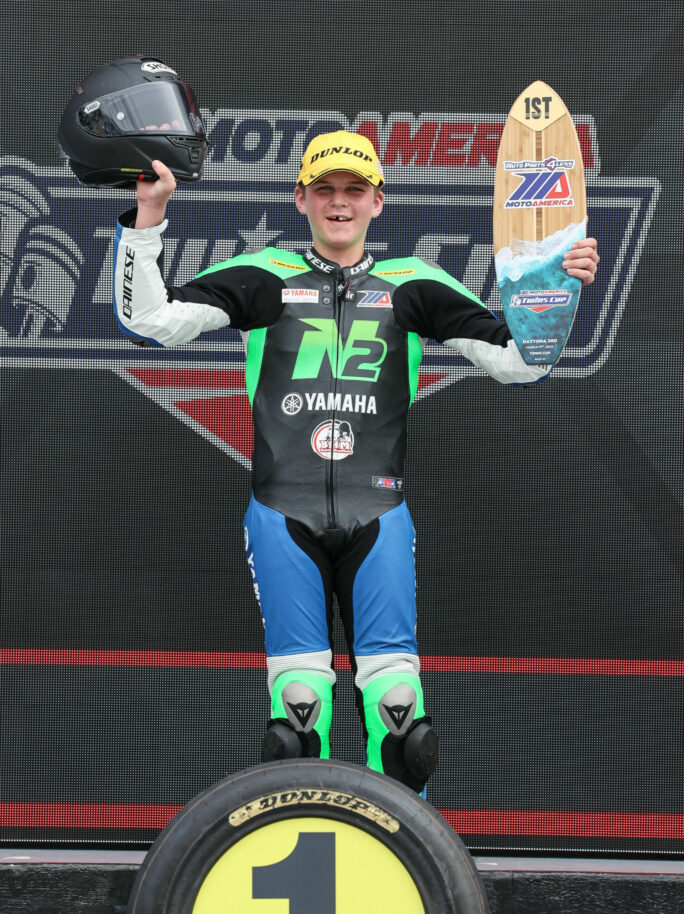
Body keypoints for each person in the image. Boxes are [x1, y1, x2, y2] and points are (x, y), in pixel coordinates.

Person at [113, 130, 599, 793]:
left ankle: (406, 870)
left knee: (402, 713)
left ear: (378, 201)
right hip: (283, 514)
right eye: (325, 190)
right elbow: (150, 320)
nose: (339, 204)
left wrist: (557, 289)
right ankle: (305, 865)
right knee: (296, 713)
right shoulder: (264, 274)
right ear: (301, 199)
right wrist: (148, 220)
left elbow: (520, 363)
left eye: (354, 191)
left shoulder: (415, 283)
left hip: (380, 518)